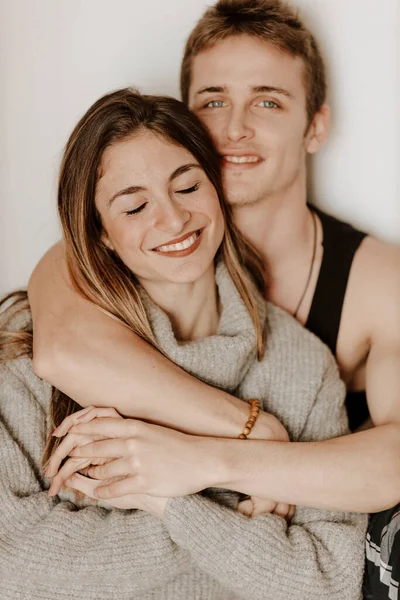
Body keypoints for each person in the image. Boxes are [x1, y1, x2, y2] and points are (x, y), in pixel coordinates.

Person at [27, 0, 400, 592]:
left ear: (316, 126)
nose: (235, 128)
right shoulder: (104, 255)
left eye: (269, 101)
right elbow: (59, 352)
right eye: (214, 101)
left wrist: (202, 464)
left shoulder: (376, 287)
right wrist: (255, 431)